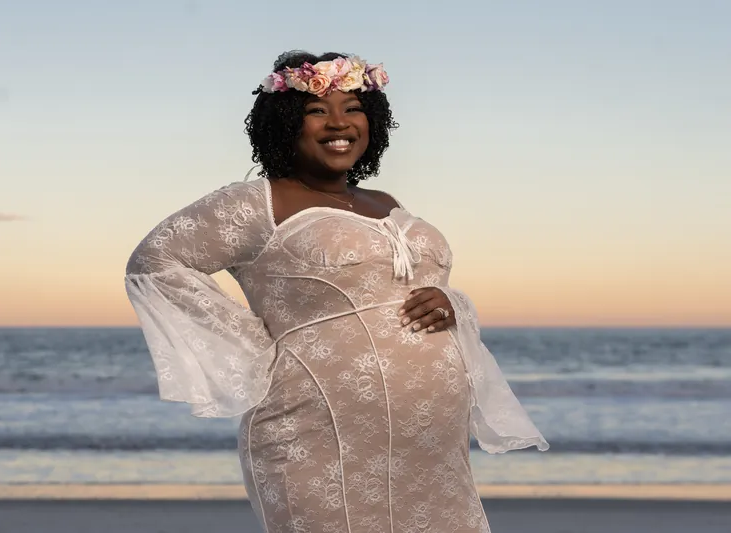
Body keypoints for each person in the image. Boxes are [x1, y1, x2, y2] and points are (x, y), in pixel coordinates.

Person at [125, 50, 548, 533]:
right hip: (315, 430)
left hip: (428, 445)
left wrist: (453, 304)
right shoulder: (257, 202)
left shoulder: (386, 203)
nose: (337, 122)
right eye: (316, 110)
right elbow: (154, 262)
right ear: (285, 124)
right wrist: (260, 353)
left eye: (352, 108)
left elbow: (400, 290)